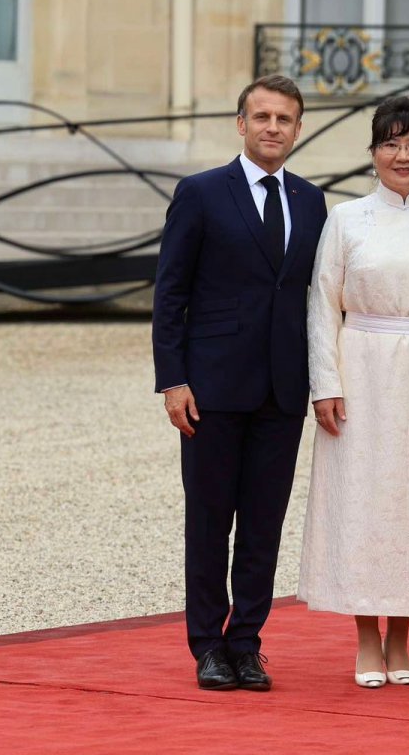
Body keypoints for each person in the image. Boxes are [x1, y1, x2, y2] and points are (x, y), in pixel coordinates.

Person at [152, 75, 327, 691]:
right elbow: (170, 292)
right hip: (212, 387)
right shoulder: (200, 193)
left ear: (298, 129)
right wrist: (173, 379)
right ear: (241, 124)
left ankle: (247, 643)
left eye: (284, 119)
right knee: (208, 521)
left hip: (282, 389)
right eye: (262, 117)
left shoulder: (311, 200)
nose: (273, 127)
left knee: (262, 525)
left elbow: (313, 295)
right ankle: (207, 645)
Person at [298, 97, 409, 689]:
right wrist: (325, 383)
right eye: (391, 144)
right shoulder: (347, 219)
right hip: (362, 371)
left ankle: (401, 636)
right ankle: (365, 638)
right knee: (362, 502)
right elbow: (323, 305)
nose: (404, 155)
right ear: (373, 152)